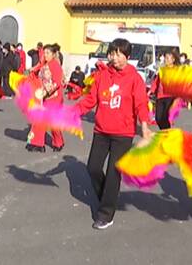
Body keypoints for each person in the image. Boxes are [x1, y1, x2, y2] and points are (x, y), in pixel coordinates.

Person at [77, 38, 151, 230]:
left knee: (113, 174)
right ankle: (107, 199)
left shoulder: (135, 78)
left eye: (119, 54)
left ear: (128, 56)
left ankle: (105, 214)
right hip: (101, 130)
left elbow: (141, 104)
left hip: (123, 134)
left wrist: (144, 126)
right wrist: (72, 112)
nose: (115, 58)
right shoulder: (101, 76)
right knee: (93, 167)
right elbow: (91, 99)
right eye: (112, 53)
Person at [27, 43, 66, 152]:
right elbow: (37, 71)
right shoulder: (44, 64)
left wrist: (45, 92)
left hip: (54, 97)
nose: (45, 55)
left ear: (53, 54)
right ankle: (37, 143)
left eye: (48, 53)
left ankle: (58, 142)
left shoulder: (55, 65)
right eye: (44, 53)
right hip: (44, 96)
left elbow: (57, 82)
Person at [149, 48, 181, 130]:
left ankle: (167, 133)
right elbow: (156, 81)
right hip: (160, 96)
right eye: (165, 57)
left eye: (167, 58)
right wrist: (151, 90)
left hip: (170, 97)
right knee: (158, 118)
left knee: (166, 117)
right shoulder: (162, 70)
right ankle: (164, 131)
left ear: (173, 60)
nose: (165, 60)